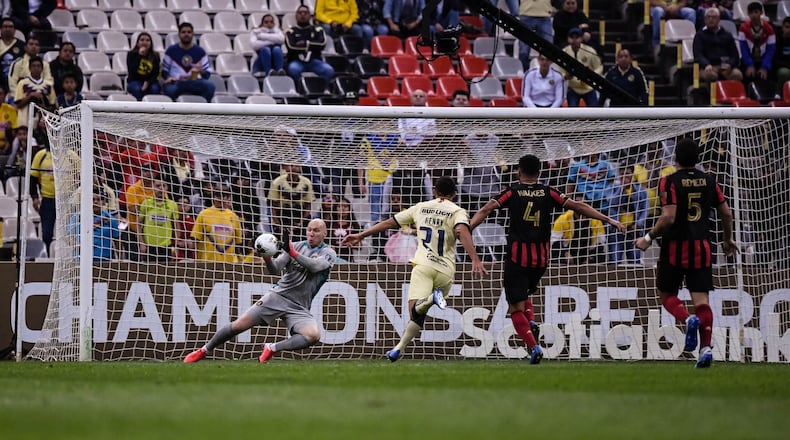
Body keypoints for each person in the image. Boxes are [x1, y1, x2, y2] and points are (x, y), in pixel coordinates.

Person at [470, 155, 625, 364]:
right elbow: (578, 206)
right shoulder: (549, 192)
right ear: (539, 173)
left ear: (519, 171)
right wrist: (609, 219)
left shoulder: (511, 192)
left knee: (515, 307)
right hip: (541, 260)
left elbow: (486, 209)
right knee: (524, 294)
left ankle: (533, 347)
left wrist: (468, 229)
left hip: (518, 258)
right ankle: (532, 320)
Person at [342, 176, 487, 362]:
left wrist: (361, 235)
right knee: (420, 312)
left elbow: (388, 223)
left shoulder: (420, 207)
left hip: (423, 266)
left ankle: (429, 300)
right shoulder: (458, 211)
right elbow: (462, 231)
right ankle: (399, 348)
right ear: (455, 194)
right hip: (446, 271)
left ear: (434, 191)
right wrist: (475, 259)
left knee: (415, 312)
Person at [635, 138, 736, 368]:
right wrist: (727, 239)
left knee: (667, 295)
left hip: (674, 248)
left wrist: (648, 238)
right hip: (702, 247)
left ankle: (688, 319)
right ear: (698, 158)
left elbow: (669, 217)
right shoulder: (710, 181)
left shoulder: (668, 181)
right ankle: (706, 349)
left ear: (676, 159)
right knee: (702, 301)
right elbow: (727, 214)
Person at [184, 218, 337, 363]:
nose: (311, 234)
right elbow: (275, 269)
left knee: (313, 335)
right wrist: (267, 257)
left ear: (324, 233)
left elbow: (315, 266)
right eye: (309, 230)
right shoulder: (296, 246)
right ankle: (204, 350)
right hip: (277, 296)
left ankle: (272, 348)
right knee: (238, 325)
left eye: (316, 231)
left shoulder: (328, 253)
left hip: (299, 307)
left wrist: (293, 254)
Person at [161, 22, 215, 102]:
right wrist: (168, 78)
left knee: (210, 86)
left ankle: (201, 110)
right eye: (183, 32)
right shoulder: (171, 51)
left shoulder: (200, 52)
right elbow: (164, 71)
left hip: (194, 81)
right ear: (179, 34)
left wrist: (201, 71)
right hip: (176, 82)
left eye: (189, 32)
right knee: (169, 89)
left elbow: (207, 75)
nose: (186, 34)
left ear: (193, 34)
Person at [192, 184, 243, 262]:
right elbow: (196, 239)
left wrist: (239, 259)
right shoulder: (204, 214)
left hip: (229, 262)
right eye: (217, 196)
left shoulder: (234, 216)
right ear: (213, 197)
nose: (220, 199)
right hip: (207, 261)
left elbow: (237, 242)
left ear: (228, 198)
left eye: (223, 196)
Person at [284, 5, 335, 82]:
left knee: (329, 70)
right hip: (297, 61)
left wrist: (306, 43)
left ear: (310, 16)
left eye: (305, 13)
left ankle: (320, 88)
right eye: (300, 13)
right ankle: (302, 89)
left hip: (314, 61)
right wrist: (313, 45)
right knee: (293, 69)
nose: (303, 15)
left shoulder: (318, 29)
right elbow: (291, 47)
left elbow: (322, 44)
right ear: (296, 16)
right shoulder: (290, 31)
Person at [693, 7, 743, 83]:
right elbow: (698, 54)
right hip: (708, 66)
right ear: (705, 19)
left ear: (719, 19)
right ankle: (713, 95)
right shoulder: (699, 35)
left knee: (737, 74)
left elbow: (735, 55)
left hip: (725, 65)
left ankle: (731, 95)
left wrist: (730, 64)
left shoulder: (727, 35)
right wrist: (706, 64)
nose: (711, 19)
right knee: (710, 75)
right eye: (708, 17)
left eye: (714, 17)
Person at [560, 27, 602, 107]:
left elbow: (599, 67)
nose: (574, 40)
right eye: (572, 37)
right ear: (568, 39)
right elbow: (560, 70)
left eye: (577, 37)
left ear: (582, 38)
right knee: (572, 114)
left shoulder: (590, 51)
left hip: (588, 87)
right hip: (573, 88)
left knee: (595, 112)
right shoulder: (564, 52)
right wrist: (565, 76)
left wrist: (592, 75)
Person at [138, 180, 178, 262]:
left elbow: (176, 227)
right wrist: (141, 243)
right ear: (152, 187)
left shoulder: (172, 205)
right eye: (158, 186)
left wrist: (176, 245)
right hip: (149, 245)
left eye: (164, 186)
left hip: (166, 245)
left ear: (167, 188)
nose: (161, 188)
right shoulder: (146, 203)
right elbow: (138, 224)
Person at [737, 2, 775, 81]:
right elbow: (743, 48)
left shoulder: (769, 28)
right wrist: (750, 64)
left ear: (761, 13)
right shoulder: (743, 28)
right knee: (748, 75)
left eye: (756, 12)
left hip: (763, 60)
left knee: (765, 76)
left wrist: (764, 66)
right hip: (749, 59)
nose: (753, 15)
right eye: (751, 13)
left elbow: (771, 49)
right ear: (748, 14)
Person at [516, 0, 554, 69]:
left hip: (544, 15)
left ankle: (547, 73)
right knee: (523, 52)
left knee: (549, 49)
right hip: (526, 14)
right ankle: (525, 75)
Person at [126, 32, 162, 101]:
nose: (145, 42)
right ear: (137, 43)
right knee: (137, 89)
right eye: (142, 40)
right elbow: (132, 72)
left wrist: (147, 82)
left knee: (155, 89)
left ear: (151, 44)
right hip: (135, 80)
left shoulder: (155, 56)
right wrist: (140, 56)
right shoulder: (131, 54)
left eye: (147, 40)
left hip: (150, 81)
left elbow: (156, 73)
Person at [774, 17, 790, 91]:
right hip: (780, 67)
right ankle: (780, 95)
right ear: (782, 27)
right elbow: (775, 60)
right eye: (787, 27)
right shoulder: (776, 39)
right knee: (784, 73)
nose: (789, 30)